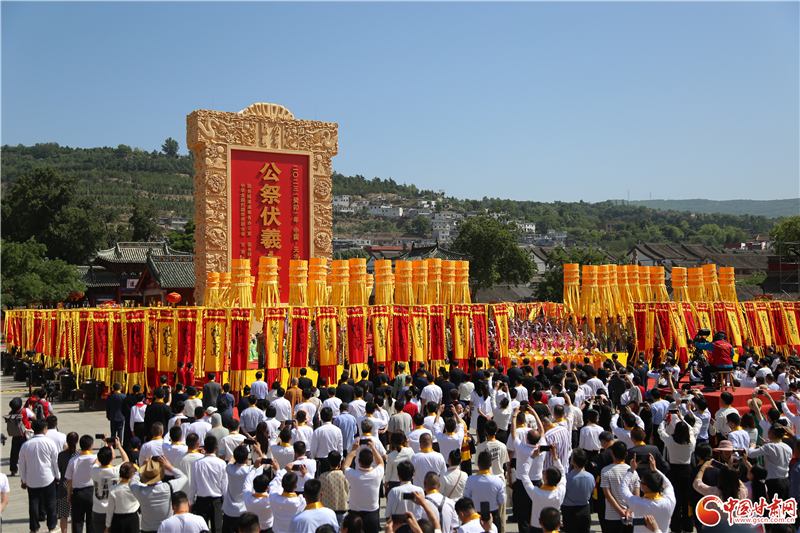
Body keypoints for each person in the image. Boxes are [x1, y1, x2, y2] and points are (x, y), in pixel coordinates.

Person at [19, 418, 60, 533]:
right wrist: (58, 475)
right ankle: (52, 525)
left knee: (33, 503)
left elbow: (22, 465)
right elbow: (55, 462)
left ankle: (34, 528)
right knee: (51, 502)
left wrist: (23, 479)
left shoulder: (26, 445)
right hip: (48, 477)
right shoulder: (49, 443)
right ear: (44, 429)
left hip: (32, 479)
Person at [618, 454, 676, 533]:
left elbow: (622, 487)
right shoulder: (669, 501)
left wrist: (631, 470)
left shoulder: (637, 503)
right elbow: (668, 485)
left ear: (646, 488)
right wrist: (655, 470)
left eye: (641, 482)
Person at [129, 457, 188, 533]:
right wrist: (169, 467)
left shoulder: (140, 491)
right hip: (167, 528)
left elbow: (132, 482)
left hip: (148, 530)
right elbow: (184, 477)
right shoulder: (168, 487)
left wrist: (142, 467)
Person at [344, 439, 385, 533]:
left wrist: (354, 450)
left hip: (354, 514)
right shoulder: (377, 473)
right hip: (372, 514)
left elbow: (345, 465)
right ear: (372, 460)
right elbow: (381, 463)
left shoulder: (353, 474)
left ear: (358, 460)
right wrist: (373, 448)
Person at [90, 437, 130, 533]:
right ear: (112, 459)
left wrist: (106, 447)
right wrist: (118, 446)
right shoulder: (115, 471)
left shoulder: (94, 471)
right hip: (112, 509)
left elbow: (96, 462)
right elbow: (126, 460)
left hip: (98, 510)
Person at [600, 441, 640, 533]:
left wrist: (621, 511)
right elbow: (636, 495)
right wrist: (628, 511)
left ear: (612, 453)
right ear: (626, 454)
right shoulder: (633, 472)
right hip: (630, 516)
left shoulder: (605, 471)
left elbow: (607, 494)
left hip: (612, 515)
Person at [190, 435, 228, 533]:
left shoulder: (197, 463)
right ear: (216, 448)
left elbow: (193, 485)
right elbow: (224, 486)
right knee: (217, 529)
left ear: (204, 448)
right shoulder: (222, 464)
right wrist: (225, 502)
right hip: (216, 501)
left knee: (201, 530)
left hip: (201, 501)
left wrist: (191, 502)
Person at [464, 451, 505, 531]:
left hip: (476, 516)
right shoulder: (497, 481)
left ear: (478, 464)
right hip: (493, 516)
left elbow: (466, 498)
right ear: (490, 465)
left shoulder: (470, 480)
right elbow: (502, 500)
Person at [66, 434, 97, 533]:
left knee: (77, 521)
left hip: (78, 492)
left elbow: (69, 480)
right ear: (91, 446)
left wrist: (69, 495)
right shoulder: (95, 459)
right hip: (91, 491)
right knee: (91, 521)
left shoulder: (73, 460)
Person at [561, 449, 594, 533]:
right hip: (585, 509)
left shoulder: (567, 478)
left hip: (569, 511)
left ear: (573, 461)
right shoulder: (590, 477)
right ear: (586, 462)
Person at [222, 445, 252, 533]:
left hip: (229, 511)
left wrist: (240, 446)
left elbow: (231, 461)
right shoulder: (250, 471)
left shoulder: (229, 469)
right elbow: (263, 464)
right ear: (247, 458)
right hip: (245, 510)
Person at [268, 468, 307, 533]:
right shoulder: (301, 501)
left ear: (282, 485)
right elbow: (314, 489)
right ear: (296, 487)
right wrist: (306, 475)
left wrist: (284, 470)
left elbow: (273, 483)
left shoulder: (274, 499)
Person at [105, 462, 139, 533]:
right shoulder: (136, 488)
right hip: (133, 519)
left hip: (118, 520)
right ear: (132, 474)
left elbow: (110, 510)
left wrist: (107, 526)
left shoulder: (113, 489)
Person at [57, 431, 79, 533]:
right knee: (75, 514)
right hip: (76, 484)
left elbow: (60, 468)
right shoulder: (79, 455)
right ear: (77, 441)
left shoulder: (61, 455)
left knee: (63, 514)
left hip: (63, 484)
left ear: (67, 441)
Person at [319, 451, 350, 525]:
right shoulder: (344, 475)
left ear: (328, 462)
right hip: (341, 508)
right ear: (340, 463)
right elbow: (347, 489)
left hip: (327, 511)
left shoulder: (322, 477)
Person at [310, 407, 343, 475]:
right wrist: (340, 460)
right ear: (332, 418)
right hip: (334, 460)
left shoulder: (317, 431)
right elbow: (340, 447)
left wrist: (314, 458)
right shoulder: (338, 430)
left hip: (321, 461)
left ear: (321, 418)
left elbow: (313, 449)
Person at [242, 468, 275, 532]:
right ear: (267, 488)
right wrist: (278, 471)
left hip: (253, 529)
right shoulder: (270, 499)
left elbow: (247, 483)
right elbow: (276, 485)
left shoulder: (248, 497)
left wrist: (254, 469)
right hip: (269, 529)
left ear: (254, 488)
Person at [7, 397, 31, 477]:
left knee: (14, 453)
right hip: (24, 435)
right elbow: (33, 417)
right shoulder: (25, 411)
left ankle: (13, 470)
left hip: (15, 435)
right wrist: (30, 409)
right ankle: (27, 469)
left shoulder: (10, 413)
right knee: (26, 453)